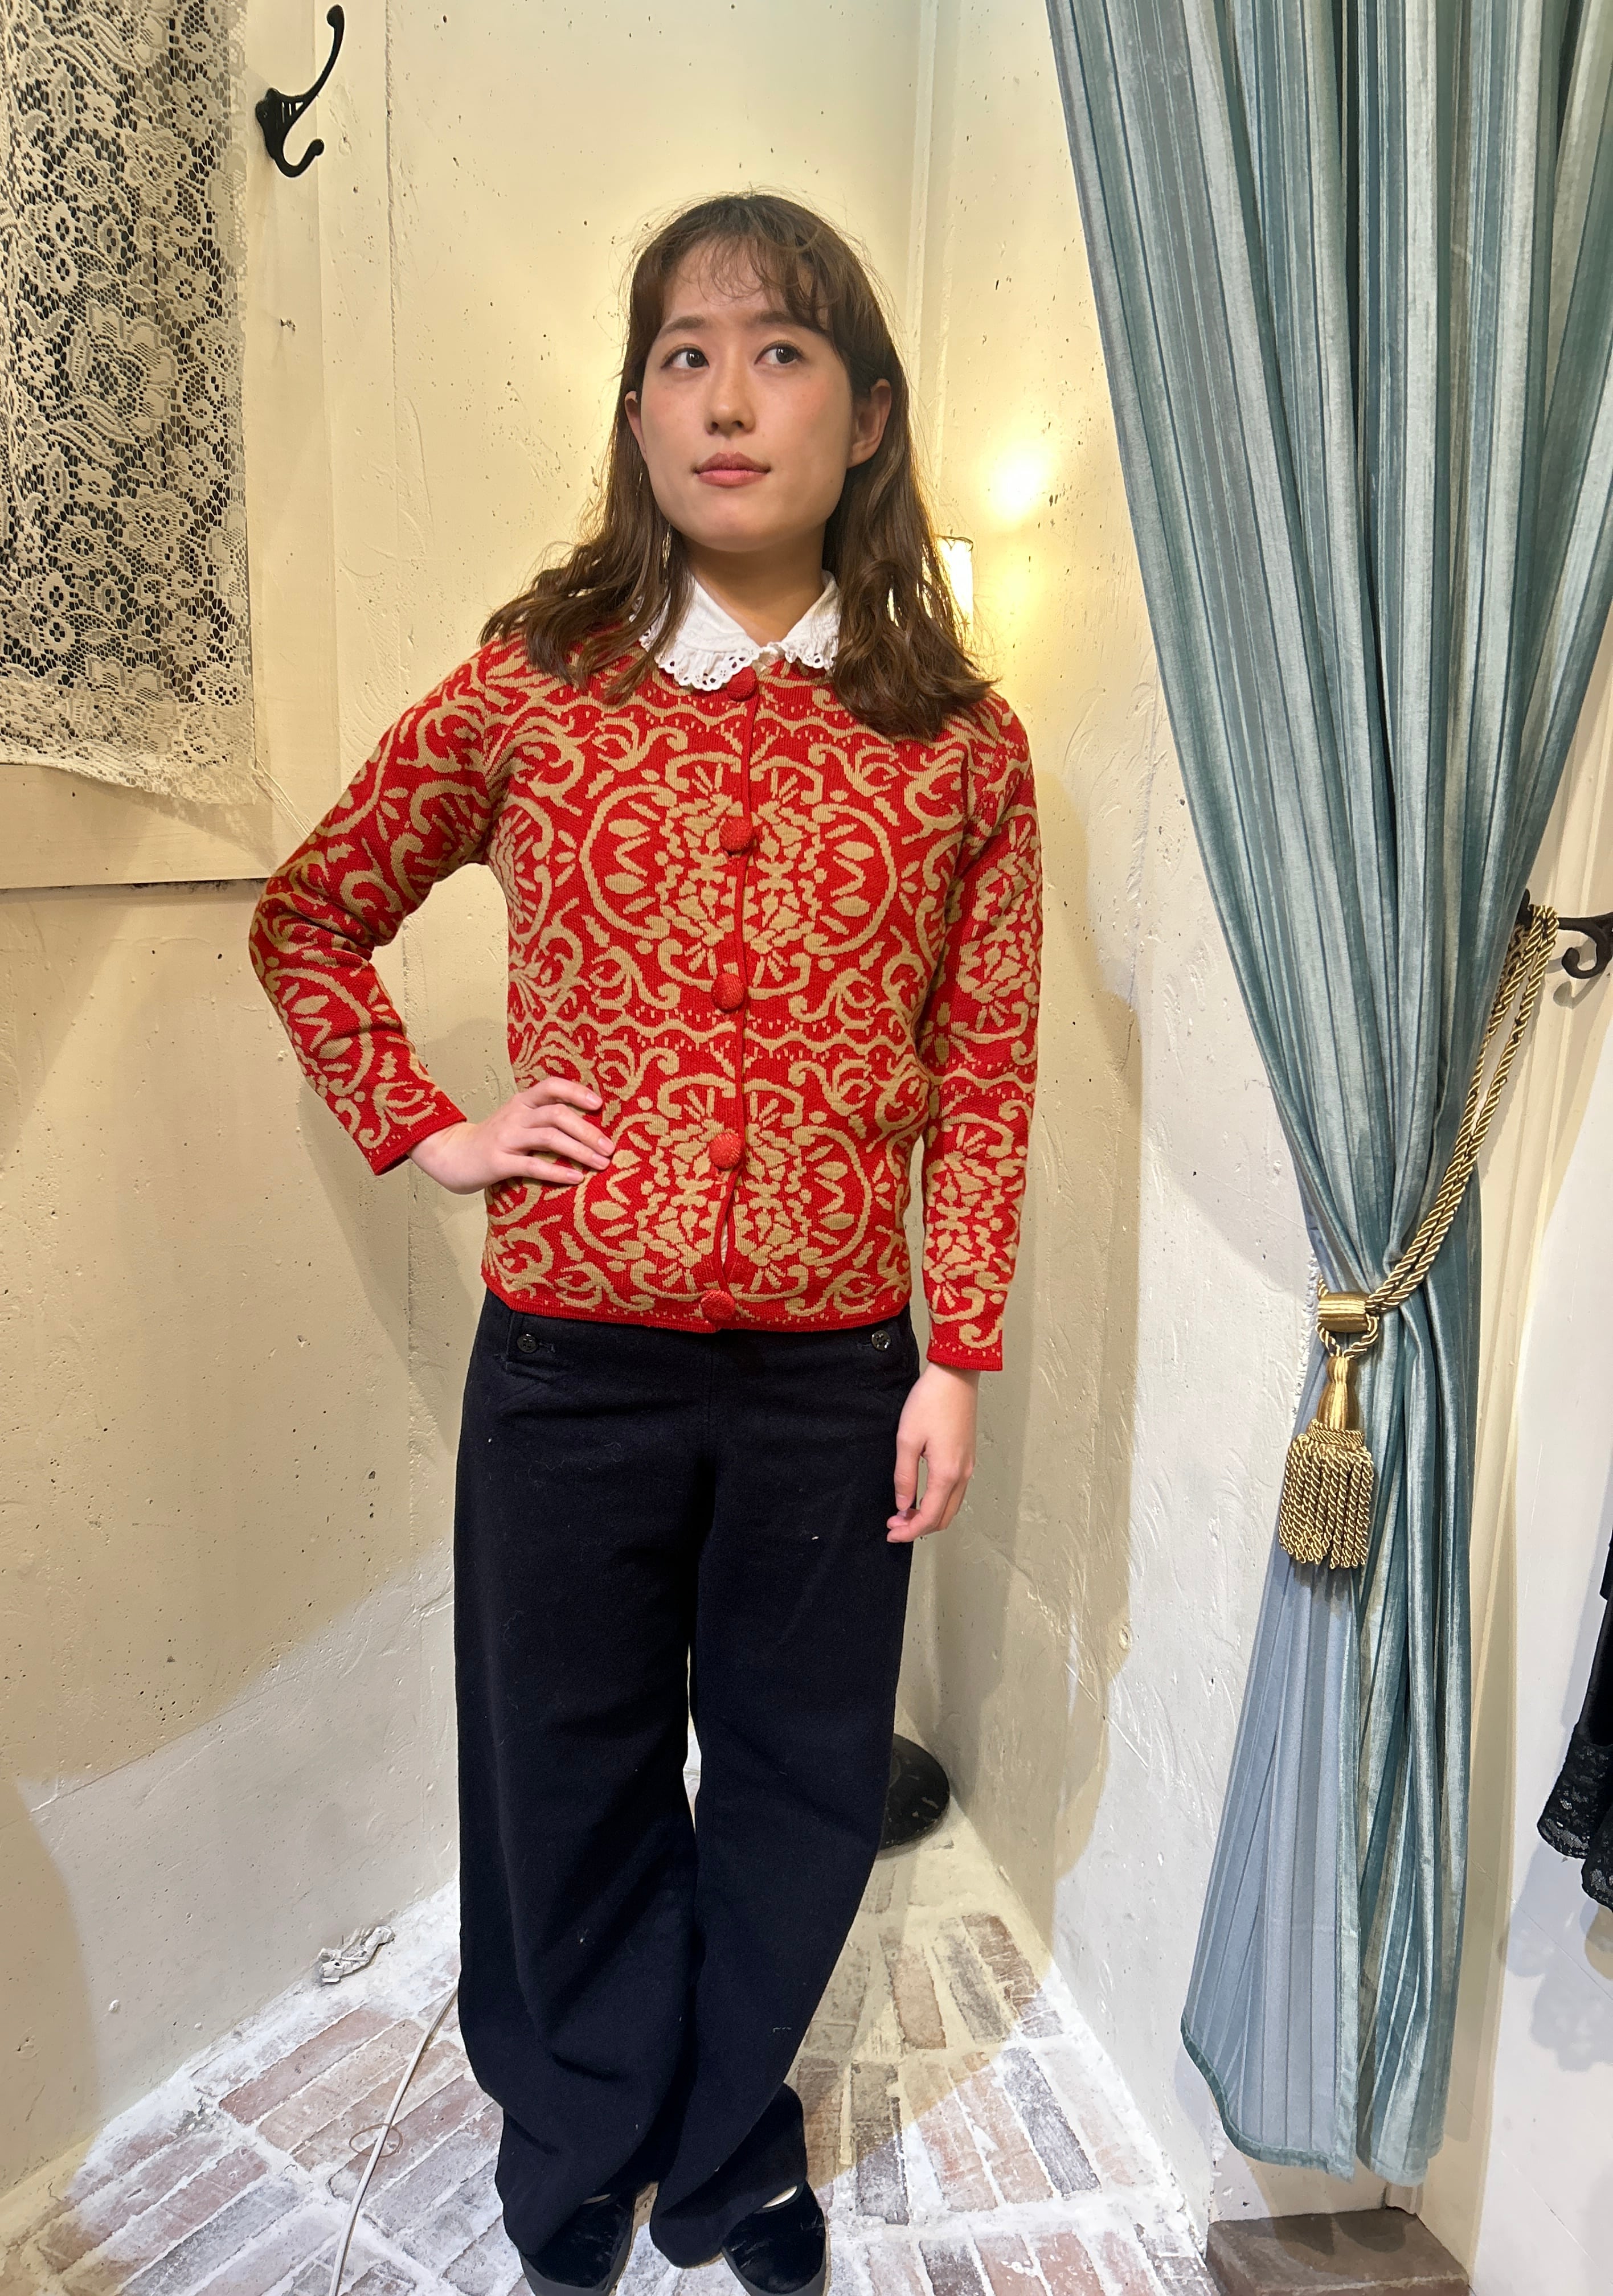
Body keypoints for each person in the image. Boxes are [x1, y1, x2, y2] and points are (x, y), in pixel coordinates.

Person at [249, 192, 1042, 2296]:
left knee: (798, 1783)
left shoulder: (960, 745)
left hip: (834, 1380)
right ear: (635, 412)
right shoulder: (537, 689)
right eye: (682, 355)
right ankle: (581, 2132)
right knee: (566, 1776)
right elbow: (311, 914)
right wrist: (432, 1128)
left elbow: (988, 1071)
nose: (725, 399)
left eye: (780, 353)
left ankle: (726, 2151)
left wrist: (955, 1352)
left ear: (867, 417)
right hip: (571, 1372)